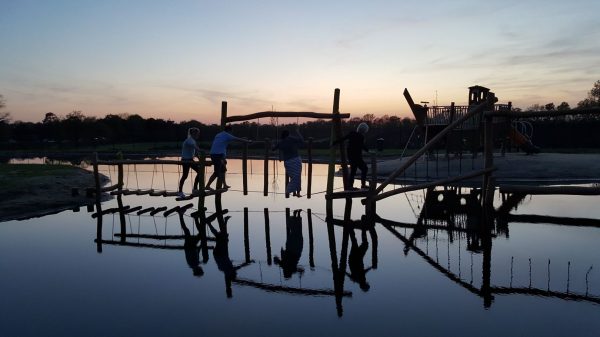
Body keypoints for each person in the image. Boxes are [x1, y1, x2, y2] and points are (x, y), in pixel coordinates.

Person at [205, 125, 251, 190]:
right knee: (217, 172)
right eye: (231, 131)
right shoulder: (227, 135)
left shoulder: (219, 134)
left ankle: (224, 185)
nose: (231, 132)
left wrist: (243, 139)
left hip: (217, 154)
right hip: (217, 155)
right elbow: (237, 139)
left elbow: (230, 141)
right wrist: (248, 141)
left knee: (223, 170)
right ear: (229, 130)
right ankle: (207, 186)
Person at [334, 122, 370, 190]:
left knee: (353, 170)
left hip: (350, 155)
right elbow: (362, 146)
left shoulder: (352, 133)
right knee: (364, 169)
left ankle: (350, 186)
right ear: (364, 130)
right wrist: (368, 151)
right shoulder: (361, 137)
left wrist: (334, 143)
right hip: (357, 156)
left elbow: (343, 138)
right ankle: (363, 185)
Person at [272, 126, 304, 197]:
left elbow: (273, 149)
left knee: (294, 177)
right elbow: (302, 140)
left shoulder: (281, 142)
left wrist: (273, 143)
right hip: (296, 160)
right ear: (288, 134)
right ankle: (290, 191)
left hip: (288, 162)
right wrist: (298, 132)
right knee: (297, 176)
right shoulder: (291, 138)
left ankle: (295, 192)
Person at [178, 127, 203, 198]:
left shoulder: (193, 140)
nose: (198, 135)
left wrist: (200, 159)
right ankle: (180, 191)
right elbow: (196, 148)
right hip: (185, 160)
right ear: (193, 133)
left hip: (190, 160)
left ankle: (195, 188)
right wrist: (202, 151)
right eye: (197, 134)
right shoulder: (189, 140)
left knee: (200, 171)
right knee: (185, 176)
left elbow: (195, 153)